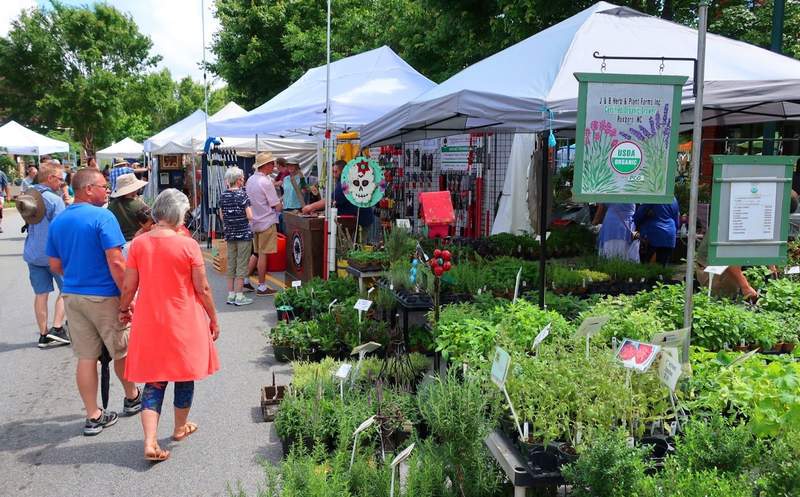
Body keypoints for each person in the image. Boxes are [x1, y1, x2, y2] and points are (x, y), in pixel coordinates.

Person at [119, 188, 220, 462]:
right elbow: (204, 288)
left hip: (149, 321)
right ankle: (179, 427)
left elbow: (129, 285)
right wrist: (213, 317)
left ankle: (150, 440)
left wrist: (123, 308)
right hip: (184, 321)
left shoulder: (139, 244)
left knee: (154, 380)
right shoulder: (187, 245)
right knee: (184, 375)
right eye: (185, 213)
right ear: (177, 214)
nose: (185, 219)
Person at [46, 168, 142, 436]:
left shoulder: (59, 221)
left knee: (86, 357)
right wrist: (127, 299)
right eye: (103, 186)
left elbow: (55, 264)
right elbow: (116, 262)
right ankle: (132, 396)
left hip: (73, 295)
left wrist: (79, 275)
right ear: (88, 188)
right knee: (120, 348)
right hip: (103, 295)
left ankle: (93, 415)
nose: (107, 191)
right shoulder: (103, 216)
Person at [18, 160, 69, 348]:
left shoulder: (28, 195)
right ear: (51, 178)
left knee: (41, 294)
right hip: (53, 254)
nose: (62, 183)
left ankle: (43, 334)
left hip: (33, 252)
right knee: (67, 289)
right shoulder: (54, 200)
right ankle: (57, 328)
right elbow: (62, 229)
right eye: (61, 180)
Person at [245, 152, 282, 296]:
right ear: (265, 165)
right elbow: (276, 205)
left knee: (256, 252)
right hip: (266, 221)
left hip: (255, 221)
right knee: (262, 254)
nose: (273, 166)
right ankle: (261, 285)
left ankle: (246, 280)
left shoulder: (251, 180)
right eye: (271, 163)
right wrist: (281, 205)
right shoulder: (265, 181)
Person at [301, 160, 375, 230]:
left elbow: (330, 200)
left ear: (343, 171)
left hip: (360, 222)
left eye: (335, 172)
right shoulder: (345, 181)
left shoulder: (346, 183)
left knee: (355, 243)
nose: (333, 175)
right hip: (356, 221)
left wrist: (310, 207)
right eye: (332, 172)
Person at [219, 167, 254, 306]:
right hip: (243, 233)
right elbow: (250, 216)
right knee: (242, 265)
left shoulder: (223, 195)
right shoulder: (242, 195)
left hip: (230, 233)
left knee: (231, 263)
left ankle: (231, 294)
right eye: (242, 178)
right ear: (238, 180)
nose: (243, 180)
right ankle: (239, 296)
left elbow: (222, 216)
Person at [634, 197, 680, 265]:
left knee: (646, 266)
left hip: (652, 235)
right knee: (662, 266)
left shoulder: (653, 196)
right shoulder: (673, 198)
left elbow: (638, 216)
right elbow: (677, 221)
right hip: (669, 236)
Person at [108, 173, 150, 242]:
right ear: (133, 190)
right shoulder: (138, 205)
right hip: (137, 241)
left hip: (118, 243)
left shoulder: (111, 206)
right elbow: (152, 222)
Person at [0, 167, 10, 233]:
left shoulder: (1, 174)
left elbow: (6, 185)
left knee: (0, 211)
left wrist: (8, 195)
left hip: (0, 195)